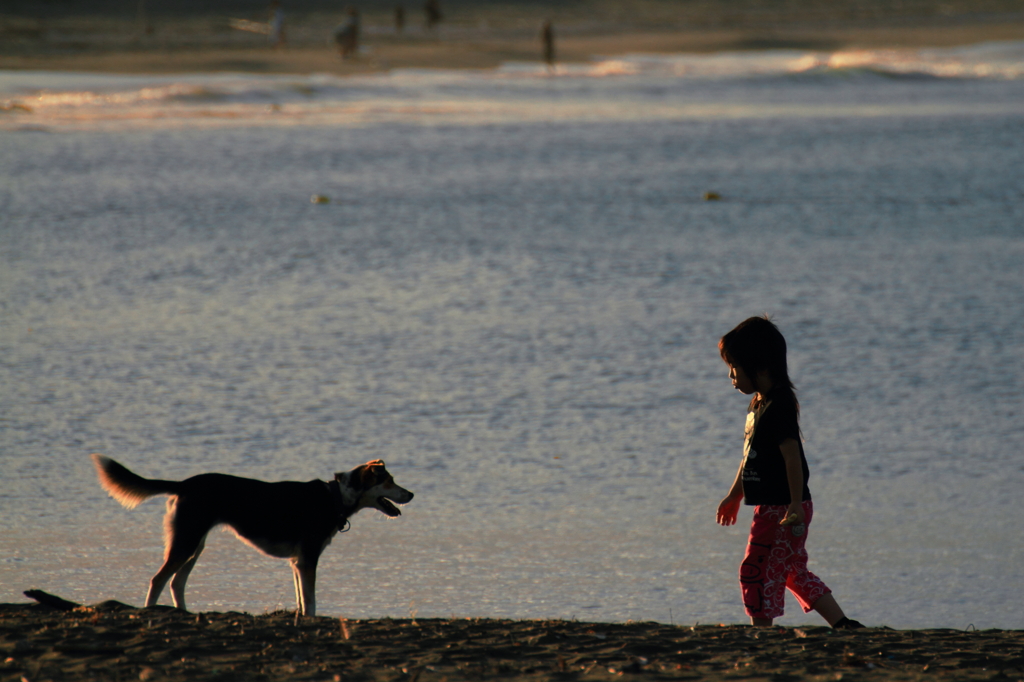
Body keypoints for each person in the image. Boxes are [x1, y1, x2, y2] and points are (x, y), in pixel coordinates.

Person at [716, 315, 864, 629]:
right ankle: (843, 624)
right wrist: (733, 495)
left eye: (734, 367)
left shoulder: (778, 405)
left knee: (756, 568)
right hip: (782, 506)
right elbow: (750, 459)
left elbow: (792, 457)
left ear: (759, 367)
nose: (731, 376)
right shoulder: (758, 404)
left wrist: (795, 503)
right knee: (792, 570)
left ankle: (762, 632)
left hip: (782, 508)